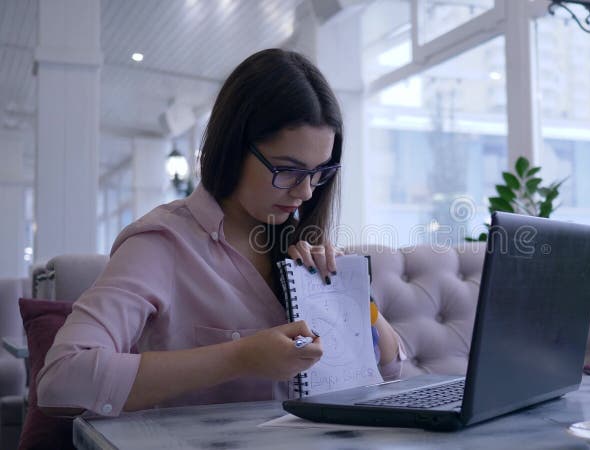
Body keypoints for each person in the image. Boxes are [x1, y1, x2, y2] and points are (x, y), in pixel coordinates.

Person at [37, 49, 404, 417]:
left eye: (319, 172)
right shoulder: (161, 243)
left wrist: (352, 298)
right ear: (233, 146)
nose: (306, 192)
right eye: (287, 169)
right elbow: (62, 378)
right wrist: (239, 356)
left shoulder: (299, 246)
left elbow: (390, 370)